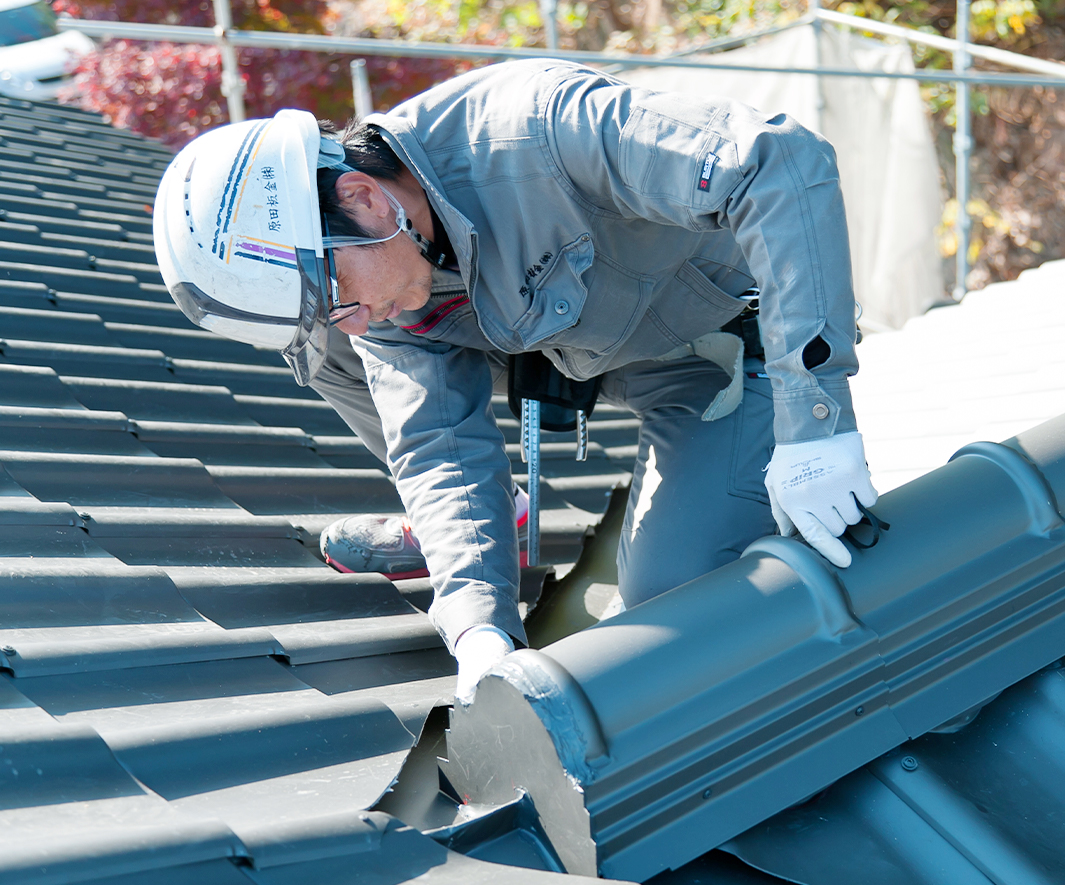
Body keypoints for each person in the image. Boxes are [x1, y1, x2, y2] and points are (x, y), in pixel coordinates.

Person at [152, 58, 879, 703]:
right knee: (328, 352)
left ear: (362, 199)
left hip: (711, 345)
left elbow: (779, 164)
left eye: (335, 289)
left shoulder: (541, 130)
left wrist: (815, 425)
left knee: (672, 600)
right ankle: (488, 518)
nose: (353, 320)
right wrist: (479, 630)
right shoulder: (374, 281)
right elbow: (436, 441)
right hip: (562, 346)